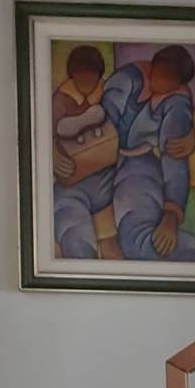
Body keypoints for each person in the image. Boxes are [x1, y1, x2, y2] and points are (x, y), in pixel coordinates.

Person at [100, 44, 195, 261]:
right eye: (158, 73)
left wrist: (171, 213)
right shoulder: (127, 79)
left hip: (136, 164)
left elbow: (174, 159)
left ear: (178, 83)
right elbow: (101, 121)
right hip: (94, 161)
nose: (159, 81)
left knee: (139, 242)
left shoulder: (177, 103)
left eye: (168, 79)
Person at [52, 45, 118, 259]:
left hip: (108, 176)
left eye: (91, 75)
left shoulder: (108, 92)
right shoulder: (61, 99)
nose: (86, 81)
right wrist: (52, 155)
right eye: (81, 75)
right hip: (73, 183)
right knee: (73, 229)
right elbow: (41, 133)